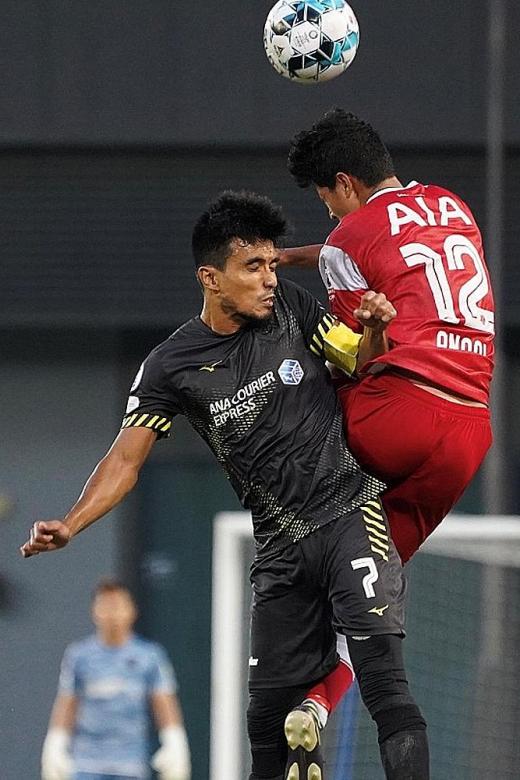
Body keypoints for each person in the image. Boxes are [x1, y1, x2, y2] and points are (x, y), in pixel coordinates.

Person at [22, 191, 429, 780]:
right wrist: (72, 522)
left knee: (385, 684)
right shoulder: (170, 366)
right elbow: (125, 461)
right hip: (279, 550)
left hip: (349, 515)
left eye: (271, 264)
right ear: (210, 279)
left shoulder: (293, 305)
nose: (269, 278)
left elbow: (360, 365)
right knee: (265, 727)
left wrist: (373, 333)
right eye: (254, 267)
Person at [281, 107, 495, 728]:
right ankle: (317, 706)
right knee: (376, 582)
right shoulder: (452, 206)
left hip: (397, 413)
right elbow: (389, 243)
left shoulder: (345, 242)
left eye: (325, 196)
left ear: (344, 183)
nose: (328, 211)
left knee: (299, 365)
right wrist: (304, 253)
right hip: (468, 431)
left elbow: (356, 348)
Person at [40, 579, 190, 780]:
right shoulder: (79, 656)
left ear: (132, 610)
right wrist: (56, 743)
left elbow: (163, 701)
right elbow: (68, 702)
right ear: (94, 611)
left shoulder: (149, 656)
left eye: (118, 605)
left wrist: (174, 741)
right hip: (87, 763)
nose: (112, 614)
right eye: (105, 606)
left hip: (130, 764)